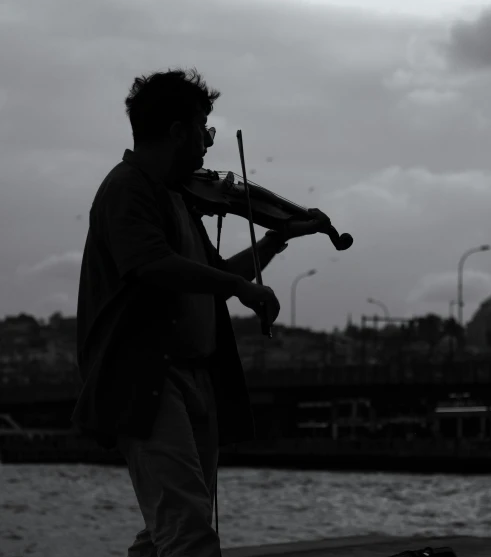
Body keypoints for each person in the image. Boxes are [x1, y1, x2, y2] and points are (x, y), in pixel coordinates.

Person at [71, 67, 329, 557]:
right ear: (177, 132)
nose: (209, 144)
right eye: (204, 131)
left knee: (167, 530)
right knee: (187, 531)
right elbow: (152, 266)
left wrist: (274, 240)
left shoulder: (178, 196)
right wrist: (238, 286)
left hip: (193, 376)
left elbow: (209, 277)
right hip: (149, 376)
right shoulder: (128, 188)